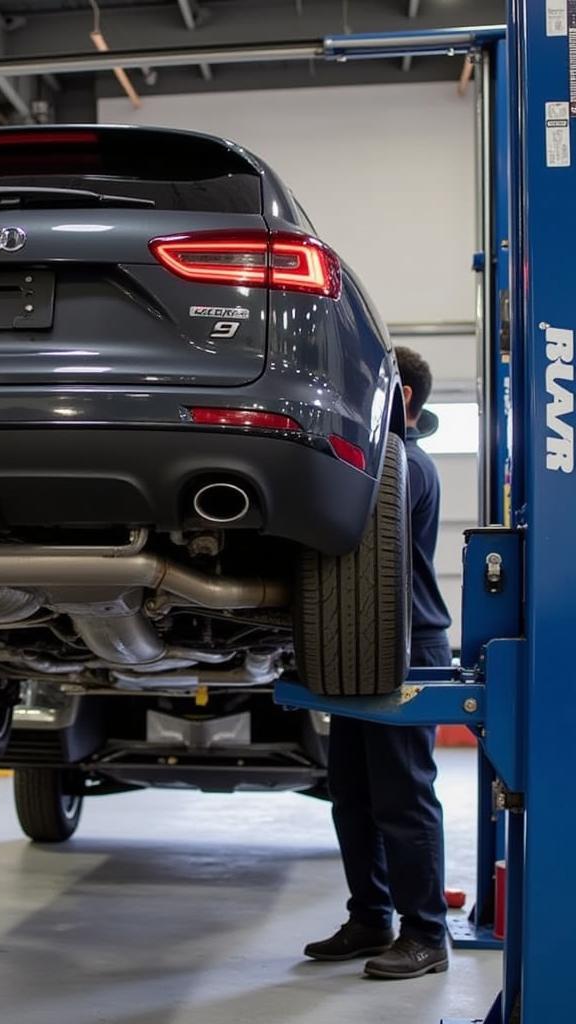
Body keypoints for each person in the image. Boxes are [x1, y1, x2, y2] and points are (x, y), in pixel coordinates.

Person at [304, 346, 453, 980]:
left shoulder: (403, 468)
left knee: (402, 796)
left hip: (406, 648)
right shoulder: (376, 468)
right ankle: (371, 916)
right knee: (353, 794)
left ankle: (427, 934)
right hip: (359, 650)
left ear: (404, 400)